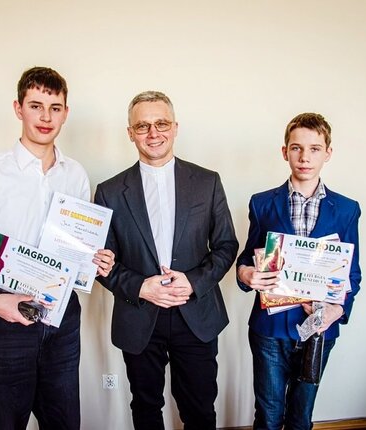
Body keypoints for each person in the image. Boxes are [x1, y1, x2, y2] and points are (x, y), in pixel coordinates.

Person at [0, 67, 114, 430]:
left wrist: (95, 260)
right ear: (18, 108)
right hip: (2, 319)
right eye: (36, 106)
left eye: (55, 108)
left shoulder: (75, 174)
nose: (46, 117)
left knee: (64, 423)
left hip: (61, 319)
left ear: (65, 113)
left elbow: (77, 247)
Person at [94, 91, 238, 430]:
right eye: (142, 126)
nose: (153, 133)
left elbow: (226, 245)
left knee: (200, 410)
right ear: (130, 133)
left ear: (175, 128)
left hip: (196, 313)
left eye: (161, 123)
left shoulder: (207, 182)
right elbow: (102, 264)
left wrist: (194, 281)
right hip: (138, 315)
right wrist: (141, 287)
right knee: (145, 408)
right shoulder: (109, 191)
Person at [236, 113, 362, 430]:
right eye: (296, 148)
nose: (305, 157)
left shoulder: (347, 209)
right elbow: (247, 257)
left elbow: (352, 273)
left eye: (314, 149)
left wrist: (337, 310)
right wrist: (245, 274)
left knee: (301, 417)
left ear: (327, 153)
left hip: (319, 329)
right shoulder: (262, 203)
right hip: (270, 328)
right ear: (285, 152)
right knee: (268, 416)